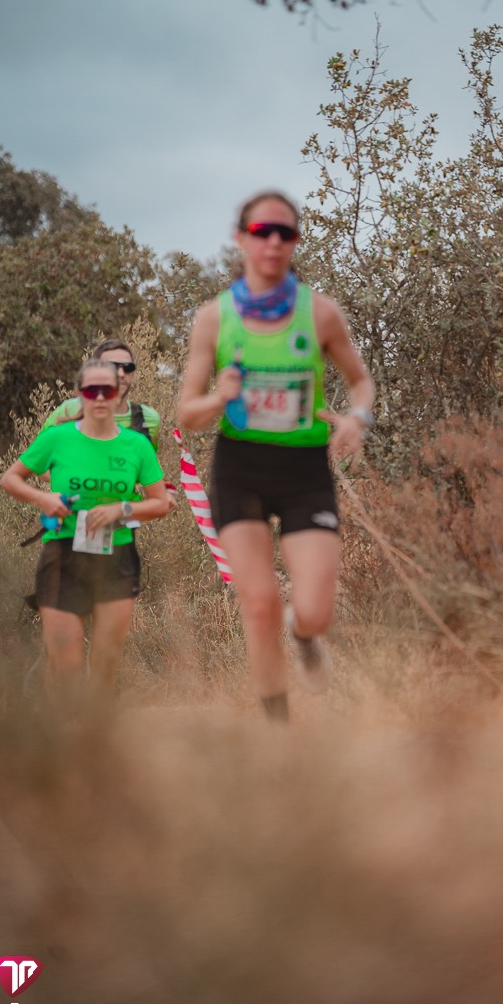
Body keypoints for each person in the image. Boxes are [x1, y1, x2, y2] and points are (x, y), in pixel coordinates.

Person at [177, 190, 375, 722]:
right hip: (240, 467)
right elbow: (187, 413)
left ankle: (305, 636)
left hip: (303, 471)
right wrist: (219, 397)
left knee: (314, 610)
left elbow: (361, 383)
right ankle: (277, 731)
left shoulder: (321, 313)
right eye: (262, 231)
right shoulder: (214, 319)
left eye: (284, 232)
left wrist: (356, 419)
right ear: (241, 238)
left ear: (295, 242)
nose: (273, 241)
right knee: (260, 604)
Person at [1, 359, 170, 697]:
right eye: (91, 391)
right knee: (65, 660)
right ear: (80, 394)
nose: (100, 397)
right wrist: (44, 499)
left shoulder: (137, 445)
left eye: (107, 389)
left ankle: (96, 727)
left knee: (105, 660)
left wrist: (121, 509)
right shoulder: (57, 437)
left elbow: (161, 502)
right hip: (63, 554)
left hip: (117, 555)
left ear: (119, 391)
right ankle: (63, 727)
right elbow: (10, 479)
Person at [43, 339, 161, 447]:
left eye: (128, 367)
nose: (121, 374)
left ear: (133, 373)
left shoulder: (149, 419)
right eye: (111, 366)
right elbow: (41, 454)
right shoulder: (69, 410)